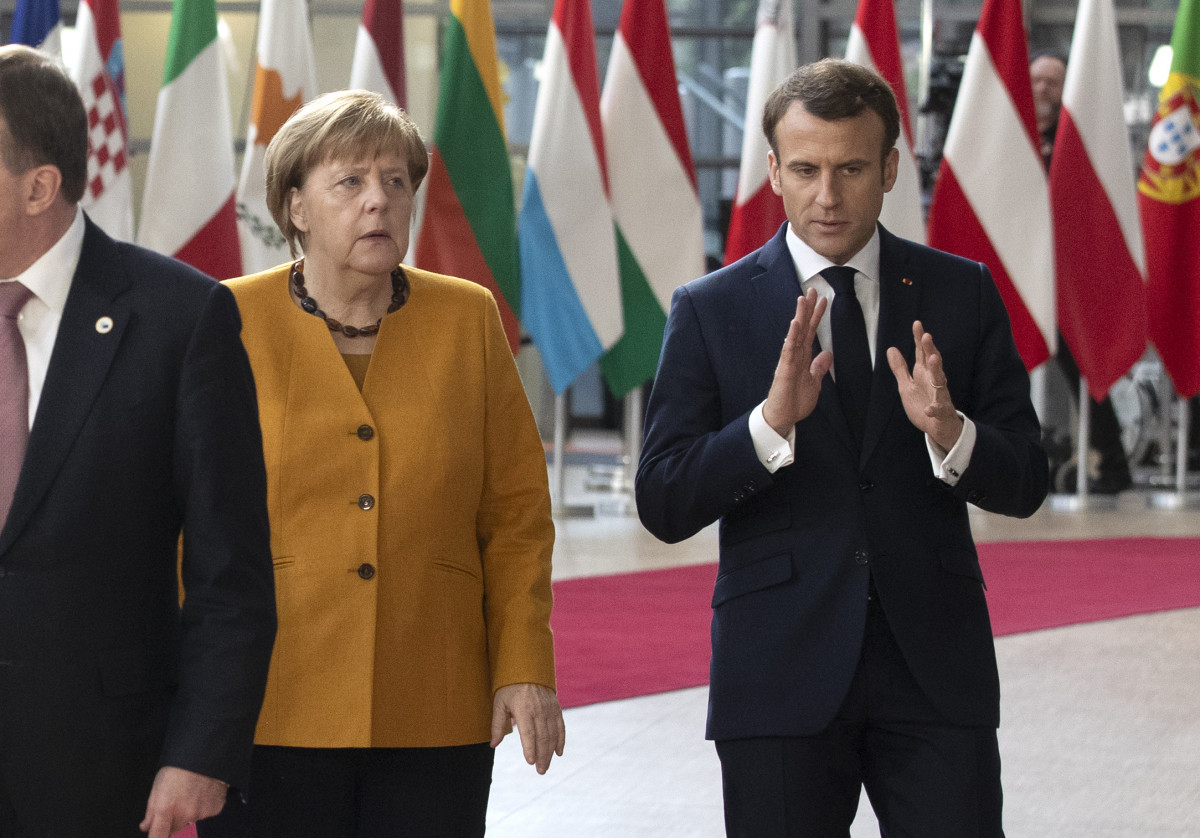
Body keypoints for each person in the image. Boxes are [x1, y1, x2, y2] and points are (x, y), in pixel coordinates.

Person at [636, 59, 1048, 837]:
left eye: (852, 168)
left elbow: (1026, 479)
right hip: (778, 671)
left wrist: (952, 435)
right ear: (772, 172)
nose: (828, 196)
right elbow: (661, 500)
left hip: (936, 669)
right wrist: (768, 427)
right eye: (806, 170)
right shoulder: (708, 308)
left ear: (891, 167)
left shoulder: (962, 292)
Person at [198, 90, 564, 838]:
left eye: (396, 182)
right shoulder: (226, 319)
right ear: (295, 207)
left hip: (435, 699)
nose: (380, 202)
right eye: (352, 182)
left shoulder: (469, 317)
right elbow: (185, 519)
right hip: (269, 698)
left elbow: (516, 513)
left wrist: (523, 664)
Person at [0, 45, 276, 837]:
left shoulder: (182, 319)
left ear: (38, 186)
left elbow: (233, 574)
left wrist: (201, 753)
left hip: (101, 763)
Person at [1031, 50, 1134, 494]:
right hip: (1017, 277)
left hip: (1069, 284)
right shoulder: (1007, 135)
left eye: (1054, 81)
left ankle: (1109, 458)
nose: (1043, 89)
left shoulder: (1080, 143)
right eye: (1037, 79)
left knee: (1085, 368)